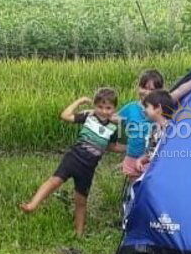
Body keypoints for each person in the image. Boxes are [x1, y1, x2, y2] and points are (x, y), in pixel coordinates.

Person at [20, 87, 123, 236]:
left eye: (108, 108)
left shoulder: (114, 127)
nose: (104, 111)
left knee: (81, 201)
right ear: (94, 106)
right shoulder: (89, 116)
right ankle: (32, 205)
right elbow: (65, 116)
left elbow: (112, 146)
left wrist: (131, 146)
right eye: (100, 106)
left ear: (114, 108)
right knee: (54, 181)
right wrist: (80, 101)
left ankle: (79, 233)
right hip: (73, 158)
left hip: (88, 168)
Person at [117, 69, 191, 181]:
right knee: (136, 187)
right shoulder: (131, 108)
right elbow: (113, 119)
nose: (147, 92)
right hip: (135, 160)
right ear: (138, 87)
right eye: (144, 88)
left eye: (152, 89)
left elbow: (180, 90)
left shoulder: (163, 104)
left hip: (153, 163)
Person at [135, 89, 178, 174]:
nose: (144, 110)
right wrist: (141, 160)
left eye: (147, 107)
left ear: (158, 108)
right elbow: (151, 152)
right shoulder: (155, 129)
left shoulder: (172, 131)